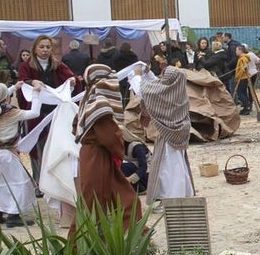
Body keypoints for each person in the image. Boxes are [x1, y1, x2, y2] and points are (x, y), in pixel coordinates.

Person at [72, 64, 143, 231]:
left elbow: (76, 126)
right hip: (98, 156)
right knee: (94, 201)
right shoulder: (99, 104)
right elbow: (109, 135)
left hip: (92, 155)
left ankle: (130, 236)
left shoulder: (88, 101)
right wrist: (120, 149)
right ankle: (79, 247)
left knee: (119, 198)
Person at [18, 34, 76, 187]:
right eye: (41, 47)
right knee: (38, 147)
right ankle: (39, 182)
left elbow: (70, 77)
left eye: (47, 47)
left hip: (55, 113)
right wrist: (32, 82)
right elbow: (22, 82)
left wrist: (72, 81)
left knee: (57, 145)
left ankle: (57, 181)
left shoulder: (57, 64)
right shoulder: (26, 66)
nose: (44, 50)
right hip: (36, 115)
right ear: (35, 48)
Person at [0, 80, 42, 228]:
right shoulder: (10, 112)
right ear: (4, 96)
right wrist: (36, 93)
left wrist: (14, 88)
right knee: (20, 184)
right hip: (6, 154)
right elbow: (35, 113)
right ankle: (14, 216)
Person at [139, 65, 195, 204]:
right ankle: (180, 193)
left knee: (168, 170)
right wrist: (148, 74)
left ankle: (171, 196)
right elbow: (157, 85)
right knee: (177, 167)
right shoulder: (177, 90)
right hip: (177, 134)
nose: (161, 78)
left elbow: (145, 91)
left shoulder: (165, 95)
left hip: (168, 138)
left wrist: (137, 76)